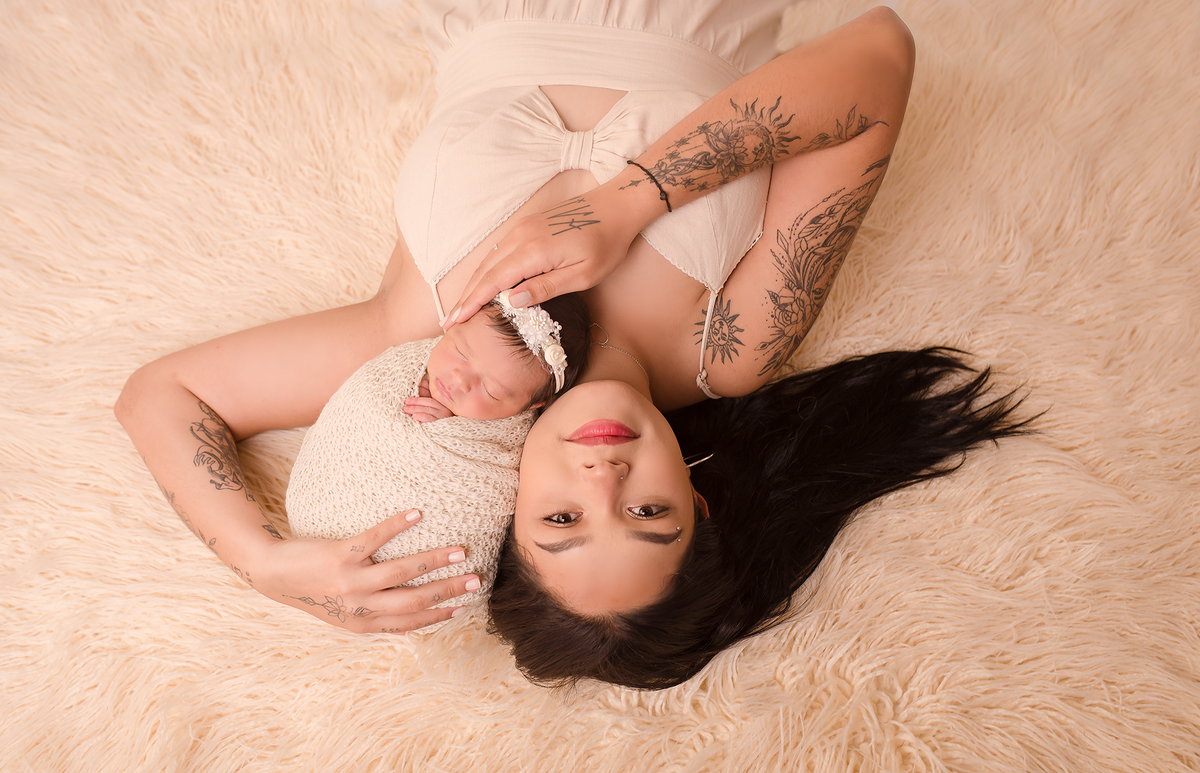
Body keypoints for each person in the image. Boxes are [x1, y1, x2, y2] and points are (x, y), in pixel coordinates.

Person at [114, 1, 951, 648]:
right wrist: (629, 202)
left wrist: (262, 561)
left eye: (562, 522)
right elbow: (878, 54)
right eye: (648, 512)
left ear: (510, 517)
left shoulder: (427, 337)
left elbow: (165, 392)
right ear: (697, 501)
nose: (603, 478)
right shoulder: (729, 346)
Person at [284, 292, 589, 623]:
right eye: (460, 351)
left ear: (532, 406)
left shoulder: (516, 439)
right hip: (319, 522)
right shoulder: (407, 364)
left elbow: (494, 480)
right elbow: (362, 404)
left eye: (492, 390)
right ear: (454, 324)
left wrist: (451, 427)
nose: (458, 380)